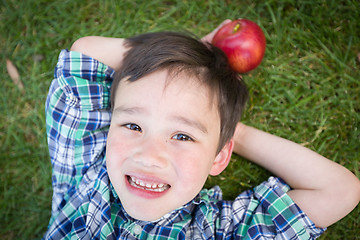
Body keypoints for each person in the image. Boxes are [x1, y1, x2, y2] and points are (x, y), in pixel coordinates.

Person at [44, 21, 360, 239]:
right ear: (110, 126)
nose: (150, 156)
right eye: (132, 125)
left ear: (219, 158)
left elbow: (339, 190)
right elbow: (85, 54)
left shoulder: (220, 230)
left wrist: (233, 133)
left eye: (183, 135)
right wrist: (197, 50)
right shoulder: (86, 175)